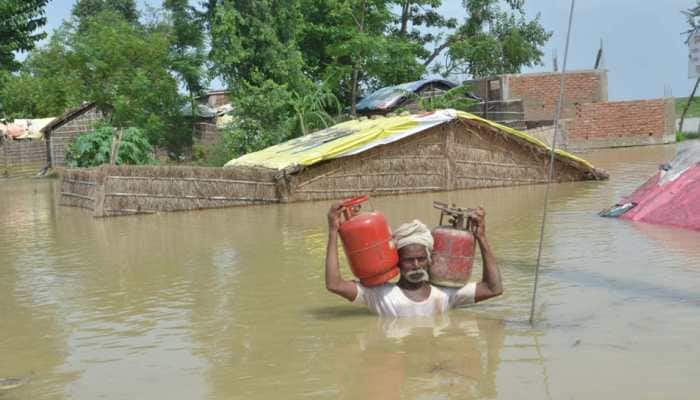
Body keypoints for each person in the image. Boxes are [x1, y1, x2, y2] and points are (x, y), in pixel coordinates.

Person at [325, 203, 503, 317]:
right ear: (397, 261)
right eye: (409, 260)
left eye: (421, 259)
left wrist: (481, 237)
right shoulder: (380, 296)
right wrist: (333, 231)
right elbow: (334, 284)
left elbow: (493, 288)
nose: (416, 265)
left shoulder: (446, 294)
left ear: (430, 259)